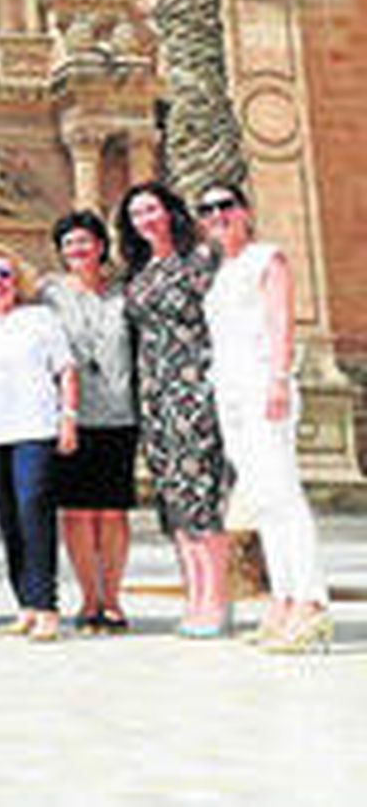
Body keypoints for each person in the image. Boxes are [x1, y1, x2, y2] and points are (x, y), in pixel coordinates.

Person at [198, 182, 331, 653]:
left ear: (246, 211)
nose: (217, 215)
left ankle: (310, 601)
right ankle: (281, 599)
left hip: (262, 385)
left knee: (282, 492)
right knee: (261, 498)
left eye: (225, 206)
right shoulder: (221, 272)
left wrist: (278, 379)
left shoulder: (267, 259)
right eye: (207, 210)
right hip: (230, 391)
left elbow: (280, 323)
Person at [117, 181, 233, 638]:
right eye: (136, 214)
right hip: (155, 396)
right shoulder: (140, 272)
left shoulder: (200, 260)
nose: (144, 220)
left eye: (151, 209)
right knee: (174, 499)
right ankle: (194, 595)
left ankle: (216, 600)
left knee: (202, 494)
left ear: (170, 212)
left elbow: (225, 318)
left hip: (194, 387)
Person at [0, 244, 78, 642]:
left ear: (18, 280)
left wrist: (68, 418)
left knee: (33, 513)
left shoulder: (40, 318)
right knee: (8, 519)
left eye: (4, 274)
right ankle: (25, 605)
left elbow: (66, 370)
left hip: (35, 429)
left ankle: (47, 607)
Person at [39, 211, 138, 635]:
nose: (77, 250)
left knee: (112, 513)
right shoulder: (48, 294)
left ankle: (112, 599)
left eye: (84, 241)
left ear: (100, 245)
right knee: (77, 513)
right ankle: (89, 598)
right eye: (68, 244)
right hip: (69, 416)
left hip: (119, 413)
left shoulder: (125, 293)